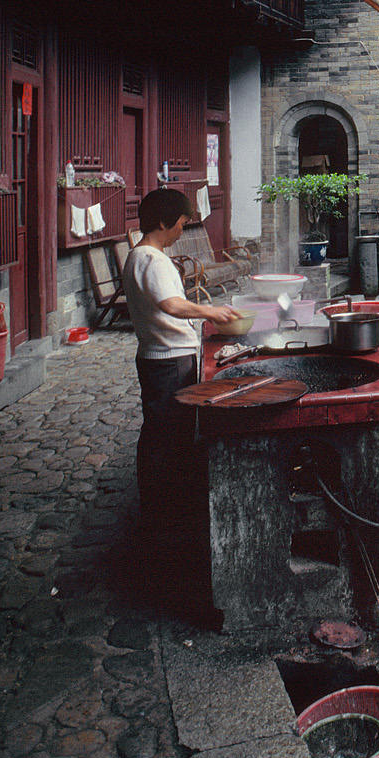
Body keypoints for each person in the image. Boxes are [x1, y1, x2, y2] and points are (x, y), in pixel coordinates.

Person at [123, 188, 241, 535]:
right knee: (166, 437)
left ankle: (162, 509)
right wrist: (211, 311)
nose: (181, 231)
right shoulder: (149, 258)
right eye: (181, 224)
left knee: (163, 434)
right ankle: (163, 517)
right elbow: (171, 305)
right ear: (163, 222)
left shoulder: (143, 255)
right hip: (167, 362)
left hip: (162, 357)